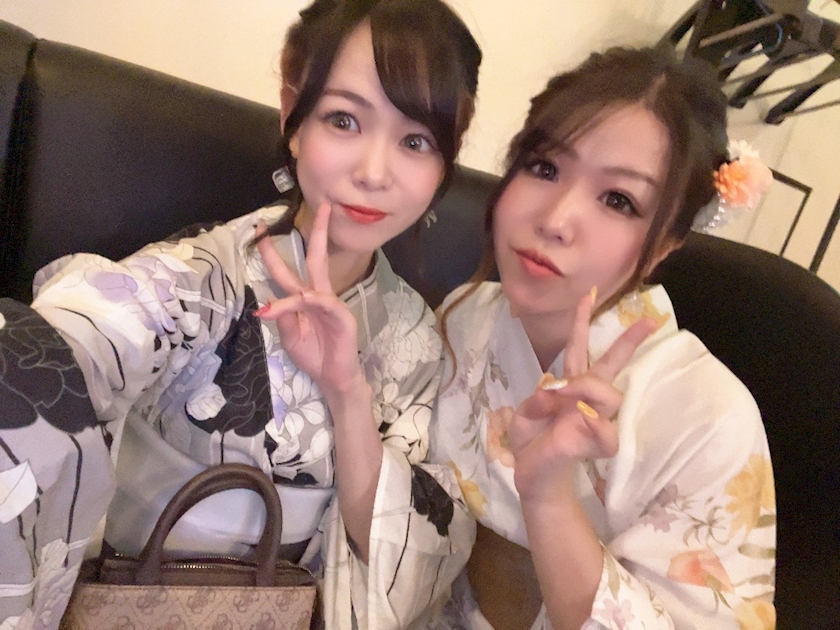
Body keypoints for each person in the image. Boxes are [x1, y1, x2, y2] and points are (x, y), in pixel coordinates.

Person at [0, 1, 481, 628]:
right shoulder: (200, 279)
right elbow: (69, 347)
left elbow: (407, 565)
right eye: (343, 120)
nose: (374, 172)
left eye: (415, 141)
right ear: (292, 116)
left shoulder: (418, 341)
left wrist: (347, 391)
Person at [425, 46, 777, 629]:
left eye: (618, 200)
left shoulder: (710, 420)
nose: (555, 219)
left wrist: (548, 499)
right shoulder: (463, 318)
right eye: (544, 168)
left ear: (665, 246)